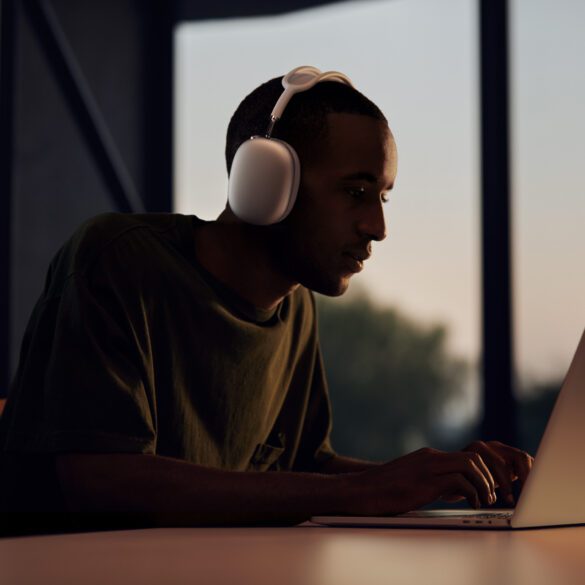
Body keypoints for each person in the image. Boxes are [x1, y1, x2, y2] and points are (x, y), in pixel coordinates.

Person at [0, 67, 532, 531]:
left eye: (382, 196)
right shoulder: (118, 261)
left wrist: (436, 479)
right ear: (266, 181)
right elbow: (100, 480)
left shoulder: (295, 305)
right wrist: (363, 493)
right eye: (356, 191)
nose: (378, 226)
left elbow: (303, 467)